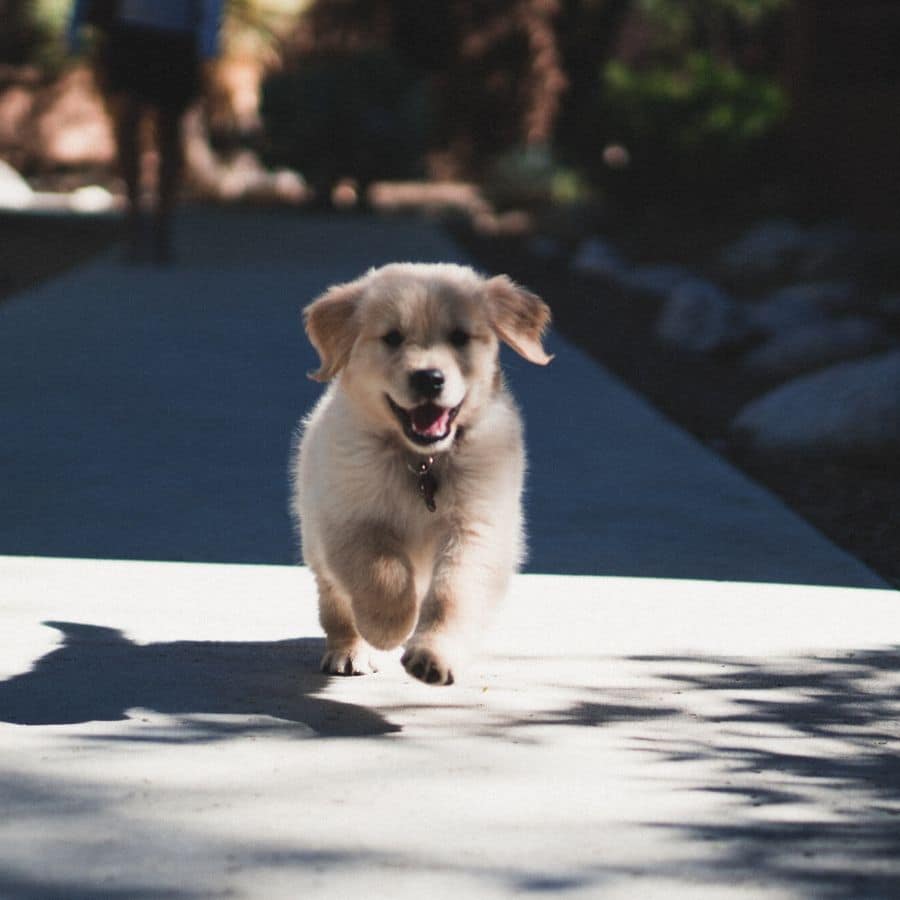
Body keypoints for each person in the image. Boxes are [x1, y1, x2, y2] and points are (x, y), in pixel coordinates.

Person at [69, 0, 223, 263]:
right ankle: (133, 217)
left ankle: (162, 222)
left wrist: (208, 43)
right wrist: (75, 25)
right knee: (127, 124)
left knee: (169, 131)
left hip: (176, 36)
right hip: (128, 34)